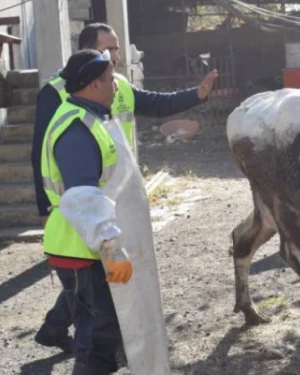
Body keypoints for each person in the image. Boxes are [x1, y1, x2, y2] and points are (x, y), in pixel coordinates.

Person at [32, 22, 216, 353]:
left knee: (90, 291)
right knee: (95, 306)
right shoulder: (61, 99)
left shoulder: (115, 85)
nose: (116, 57)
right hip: (86, 212)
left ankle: (55, 329)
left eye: (117, 49)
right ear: (89, 56)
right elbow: (48, 159)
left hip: (114, 202)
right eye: (110, 49)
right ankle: (73, 338)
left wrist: (197, 94)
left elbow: (155, 103)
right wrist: (44, 208)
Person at [40, 48, 168, 374]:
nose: (116, 86)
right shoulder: (76, 128)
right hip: (80, 247)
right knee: (98, 339)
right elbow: (82, 196)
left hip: (84, 245)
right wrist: (111, 248)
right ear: (92, 84)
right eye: (110, 80)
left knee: (104, 335)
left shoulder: (91, 118)